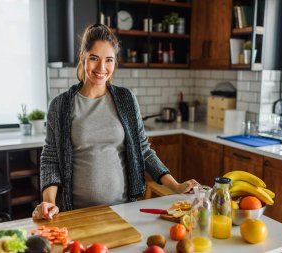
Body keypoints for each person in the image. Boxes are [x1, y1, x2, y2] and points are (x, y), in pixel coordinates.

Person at [32, 24, 198, 220]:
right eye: (94, 58)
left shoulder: (126, 99)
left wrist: (175, 185)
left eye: (108, 60)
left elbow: (143, 151)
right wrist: (49, 203)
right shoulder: (60, 105)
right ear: (82, 57)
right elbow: (50, 159)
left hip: (123, 210)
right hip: (75, 213)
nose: (102, 68)